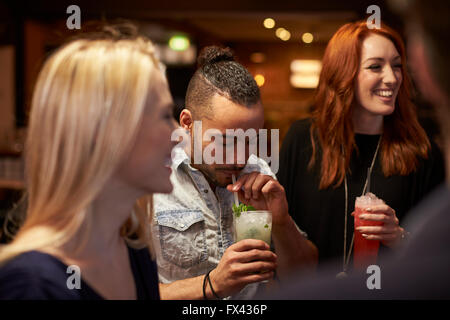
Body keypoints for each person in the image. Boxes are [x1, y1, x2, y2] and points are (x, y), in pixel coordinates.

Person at [263, 0, 450, 299]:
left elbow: (441, 255)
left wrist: (399, 236)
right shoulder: (303, 138)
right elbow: (282, 233)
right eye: (376, 66)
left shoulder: (421, 148)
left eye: (397, 66)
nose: (392, 78)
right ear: (344, 73)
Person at [0, 26, 176, 299]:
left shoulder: (135, 249)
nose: (178, 134)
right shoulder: (30, 285)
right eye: (165, 116)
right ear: (104, 130)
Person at [151, 46, 318, 300]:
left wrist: (282, 223)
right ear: (187, 123)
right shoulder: (150, 177)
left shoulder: (259, 171)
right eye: (225, 142)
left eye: (250, 140)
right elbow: (120, 290)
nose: (240, 158)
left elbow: (304, 274)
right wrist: (212, 284)